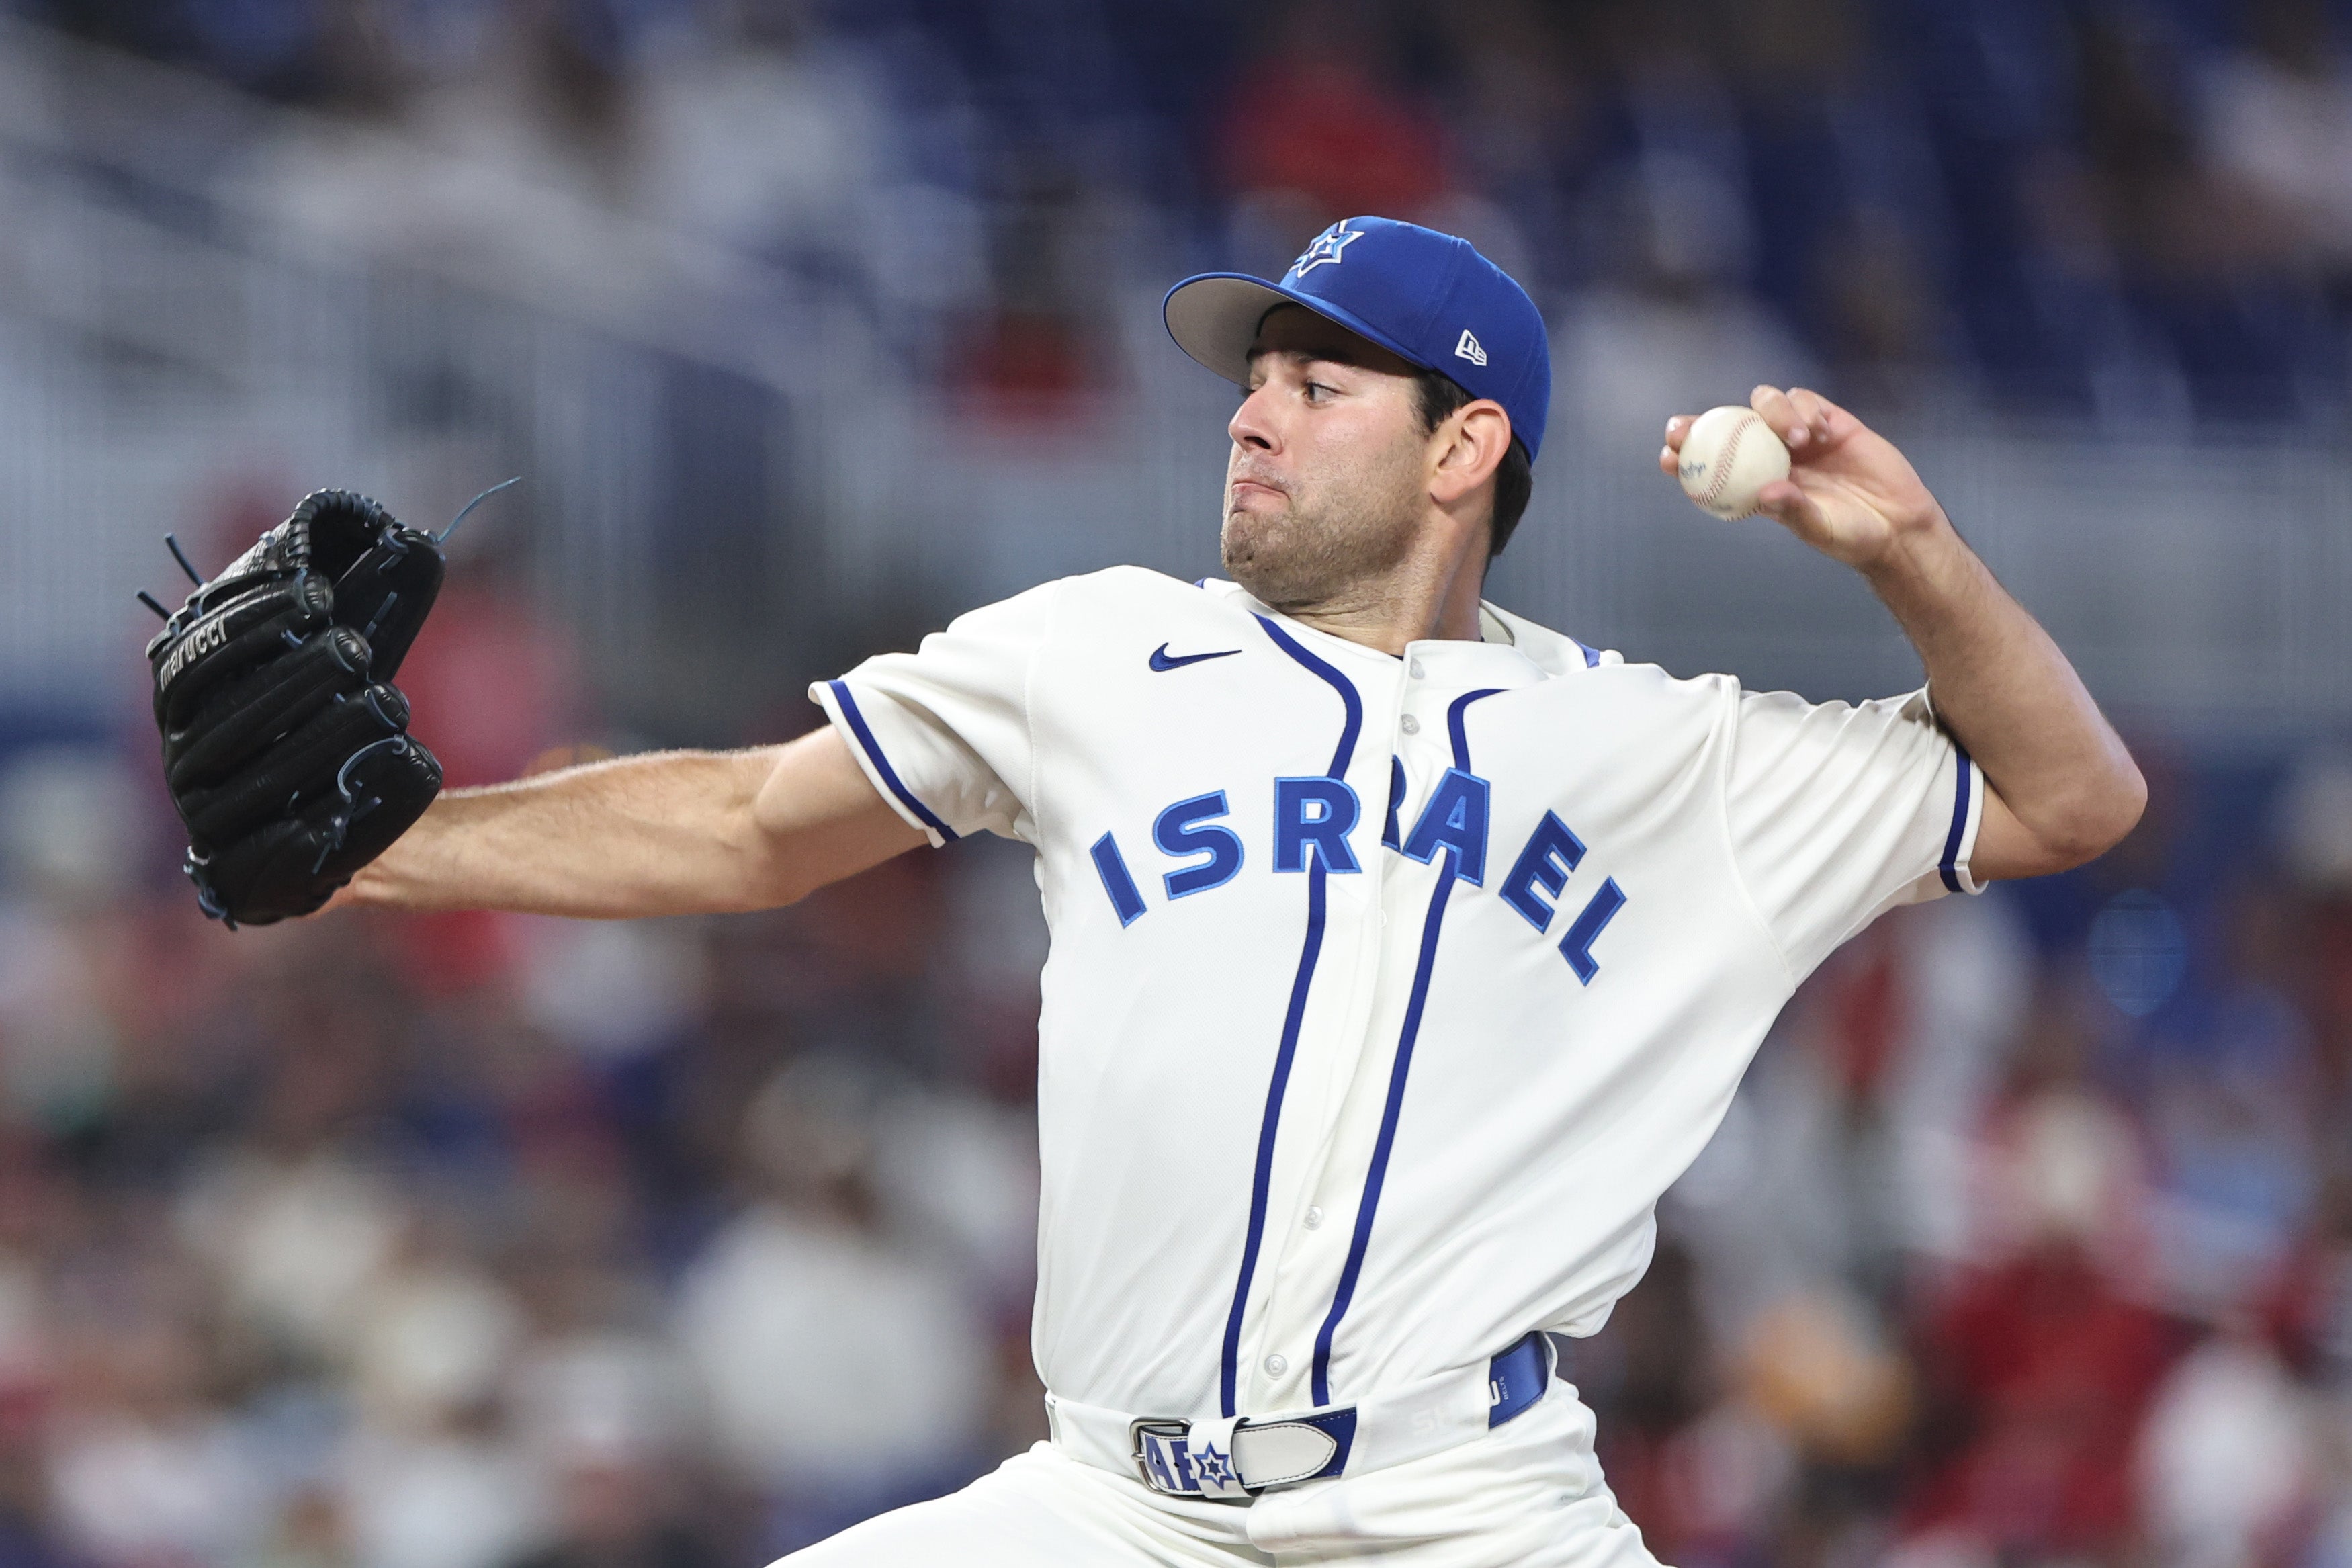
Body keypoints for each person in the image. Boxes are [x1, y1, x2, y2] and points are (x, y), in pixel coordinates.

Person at [341, 217, 2145, 1566]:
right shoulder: (1097, 653)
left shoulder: (1669, 758)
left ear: (1465, 451)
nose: (1253, 419)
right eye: (1253, 380)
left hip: (1470, 1504)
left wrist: (1911, 550)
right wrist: (383, 851)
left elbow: (2072, 797)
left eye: (1318, 383)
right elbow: (748, 824)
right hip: (1112, 1505)